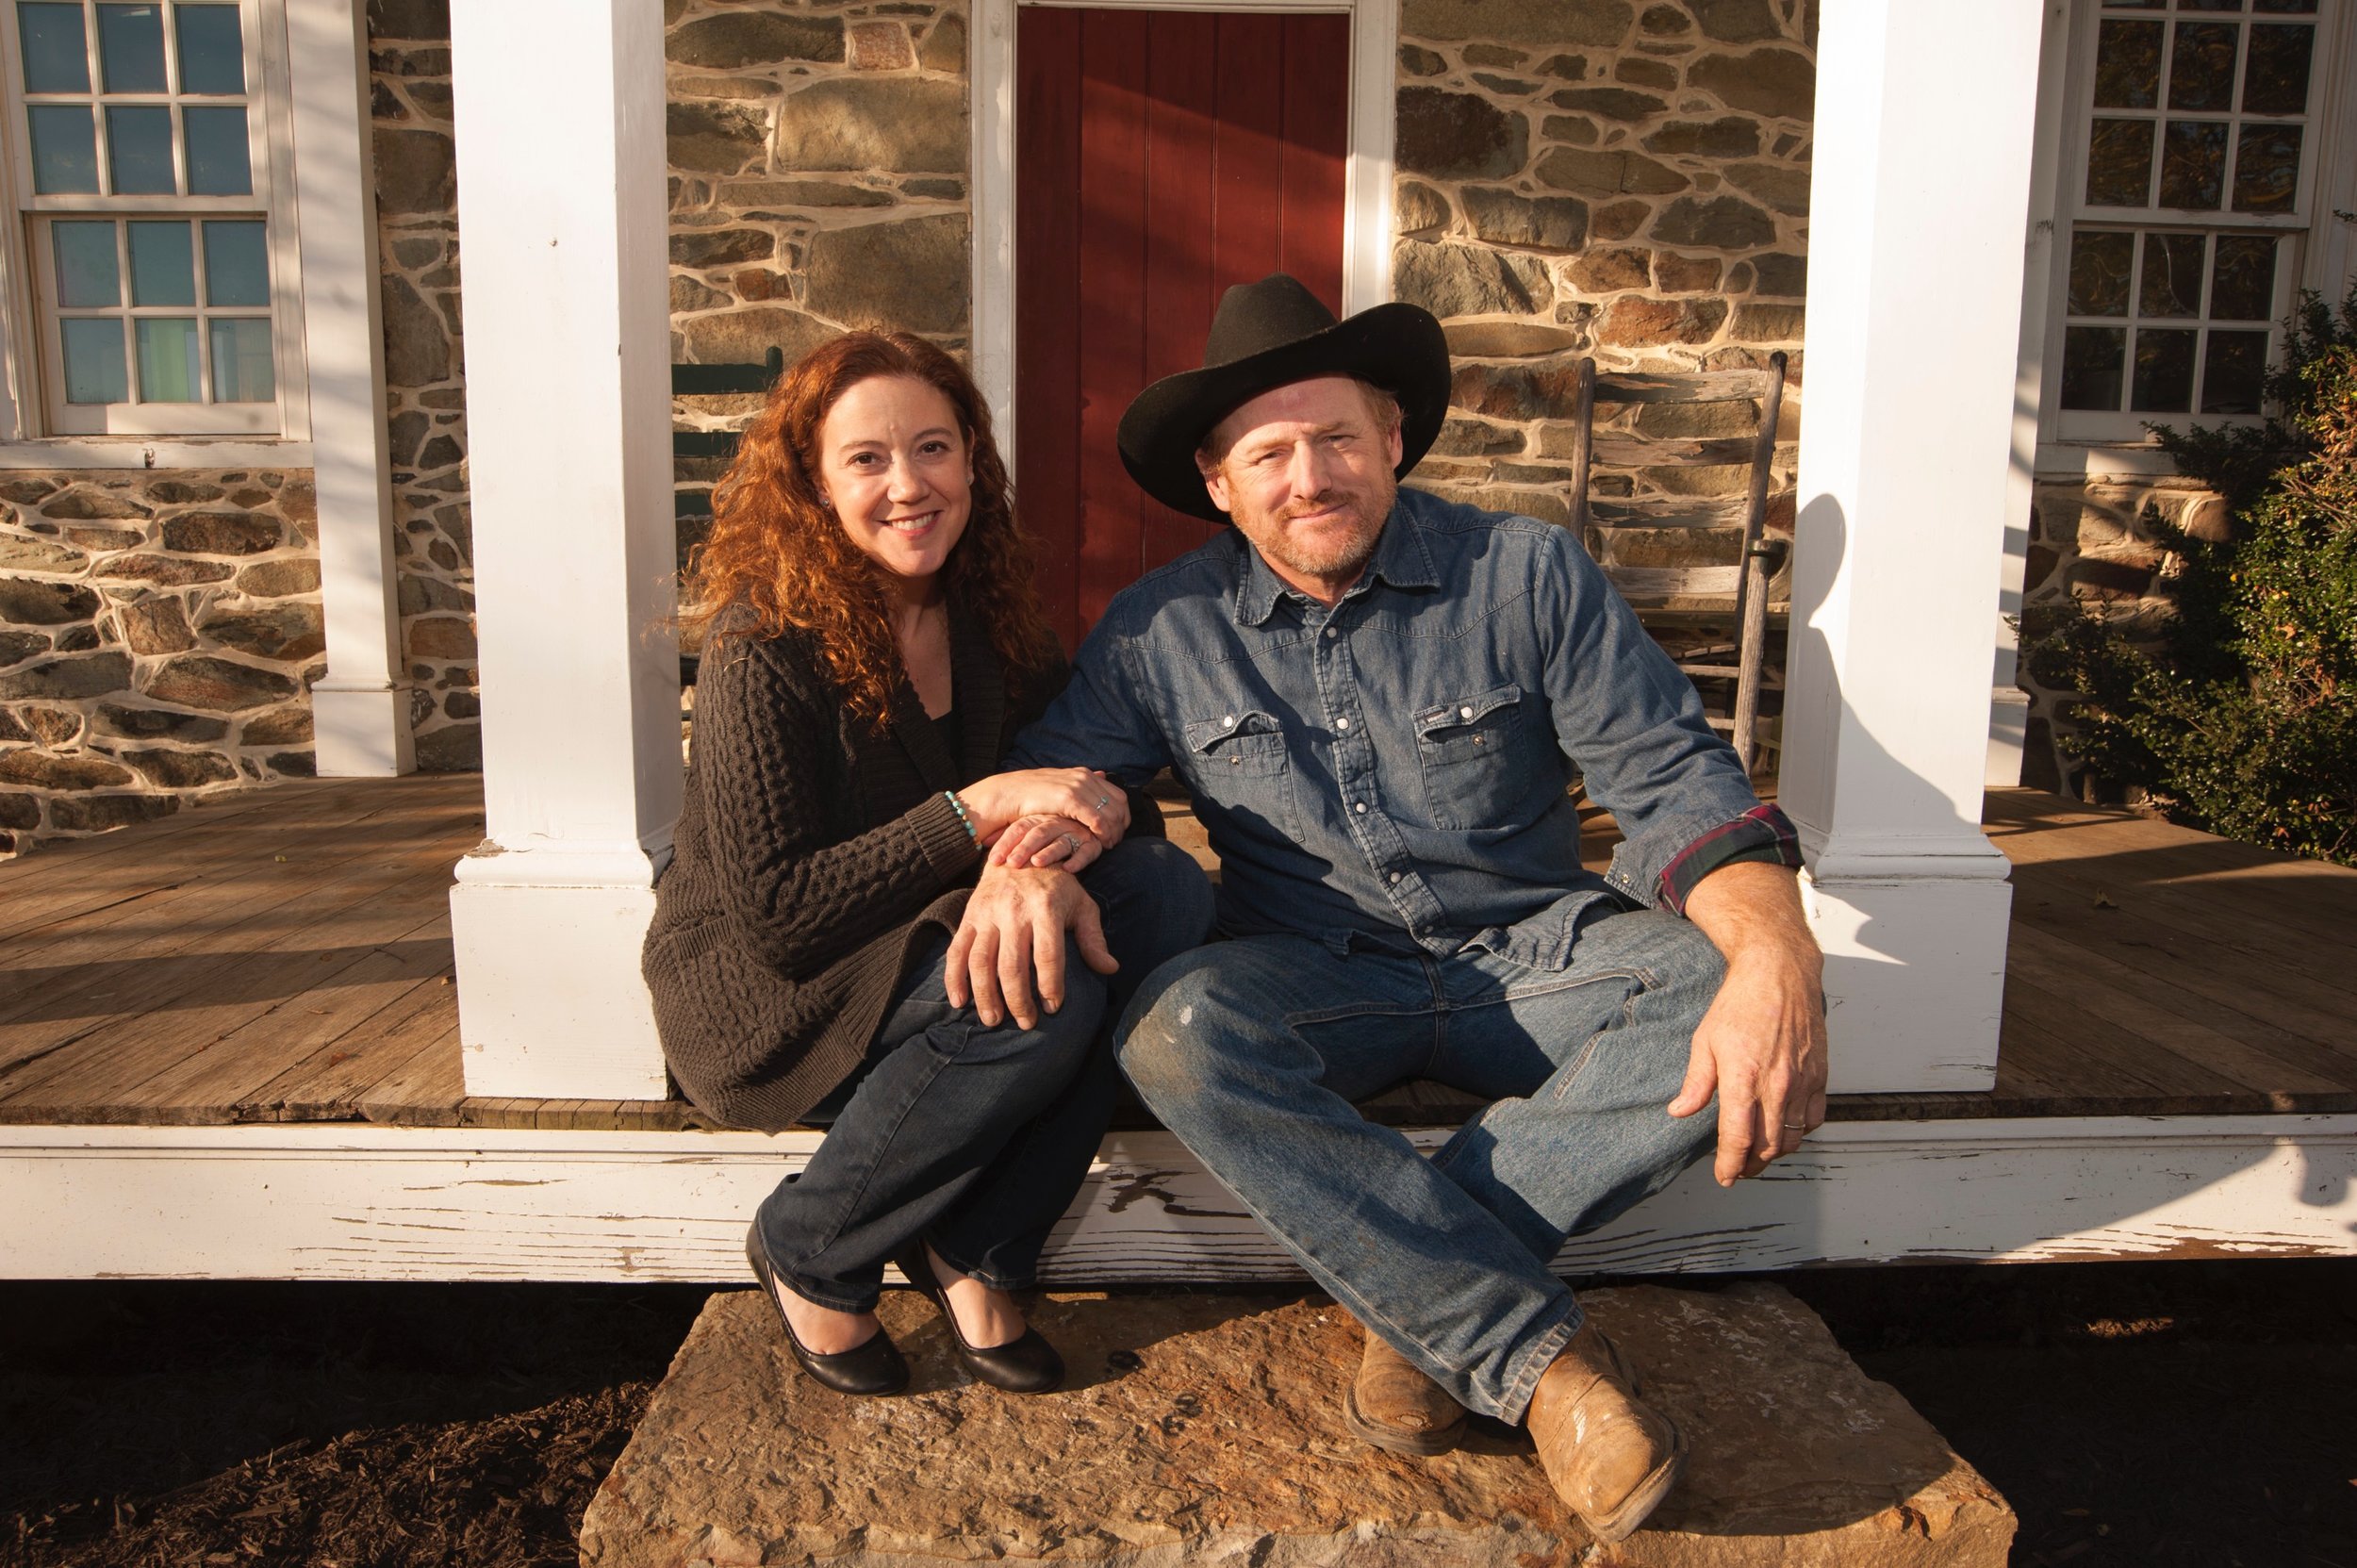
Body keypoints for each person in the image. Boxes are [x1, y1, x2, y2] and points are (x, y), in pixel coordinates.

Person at [958, 274, 1828, 1538]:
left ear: (1394, 442)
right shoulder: (1162, 630)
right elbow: (1070, 769)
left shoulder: (1524, 572)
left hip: (1535, 954)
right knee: (1175, 1027)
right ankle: (1543, 1364)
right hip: (1315, 973)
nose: (1310, 476)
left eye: (1337, 439)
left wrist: (1782, 953)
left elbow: (1674, 776)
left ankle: (1413, 1307)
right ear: (1220, 482)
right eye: (1269, 453)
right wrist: (1033, 851)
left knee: (1715, 984)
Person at [643, 331, 1213, 1399]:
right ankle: (816, 1242)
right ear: (814, 486)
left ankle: (980, 1240)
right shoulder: (760, 647)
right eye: (866, 459)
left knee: (1163, 894)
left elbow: (1100, 801)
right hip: (777, 991)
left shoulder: (990, 621)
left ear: (971, 465)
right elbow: (782, 914)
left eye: (933, 449)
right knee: (1046, 993)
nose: (908, 485)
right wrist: (979, 814)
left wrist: (1046, 855)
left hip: (929, 939)